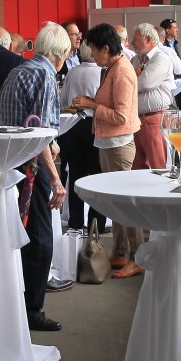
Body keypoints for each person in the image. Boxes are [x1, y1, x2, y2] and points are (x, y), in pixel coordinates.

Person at [0, 22, 71, 331]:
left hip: (10, 164)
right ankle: (32, 309)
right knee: (40, 239)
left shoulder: (19, 70)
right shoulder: (44, 75)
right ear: (61, 53)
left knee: (22, 237)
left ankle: (19, 304)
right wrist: (55, 179)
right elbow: (38, 134)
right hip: (31, 167)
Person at [72, 24, 141, 277]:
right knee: (116, 203)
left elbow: (121, 116)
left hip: (118, 145)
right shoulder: (112, 68)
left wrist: (91, 105)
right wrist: (90, 103)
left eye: (93, 49)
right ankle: (121, 252)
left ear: (106, 49)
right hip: (109, 143)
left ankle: (137, 257)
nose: (91, 54)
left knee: (126, 204)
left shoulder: (121, 71)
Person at [59, 41, 103, 230]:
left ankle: (75, 220)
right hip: (95, 125)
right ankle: (96, 222)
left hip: (74, 125)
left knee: (76, 173)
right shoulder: (102, 73)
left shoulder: (72, 72)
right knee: (97, 175)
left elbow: (63, 101)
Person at [127, 23, 174, 177]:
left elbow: (144, 83)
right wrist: (134, 77)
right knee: (137, 167)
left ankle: (161, 192)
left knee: (158, 167)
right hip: (136, 119)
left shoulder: (161, 58)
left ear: (147, 39)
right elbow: (126, 84)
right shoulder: (135, 59)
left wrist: (133, 77)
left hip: (154, 118)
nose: (132, 43)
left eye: (135, 39)